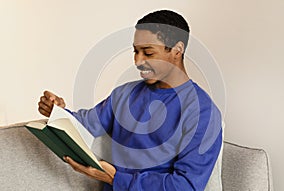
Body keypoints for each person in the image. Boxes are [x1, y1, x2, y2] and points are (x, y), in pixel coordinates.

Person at [38, 10, 223, 191]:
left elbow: (186, 186)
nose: (137, 61)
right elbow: (86, 125)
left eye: (148, 53)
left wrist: (115, 179)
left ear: (177, 50)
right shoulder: (124, 94)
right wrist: (58, 111)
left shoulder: (203, 112)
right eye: (135, 51)